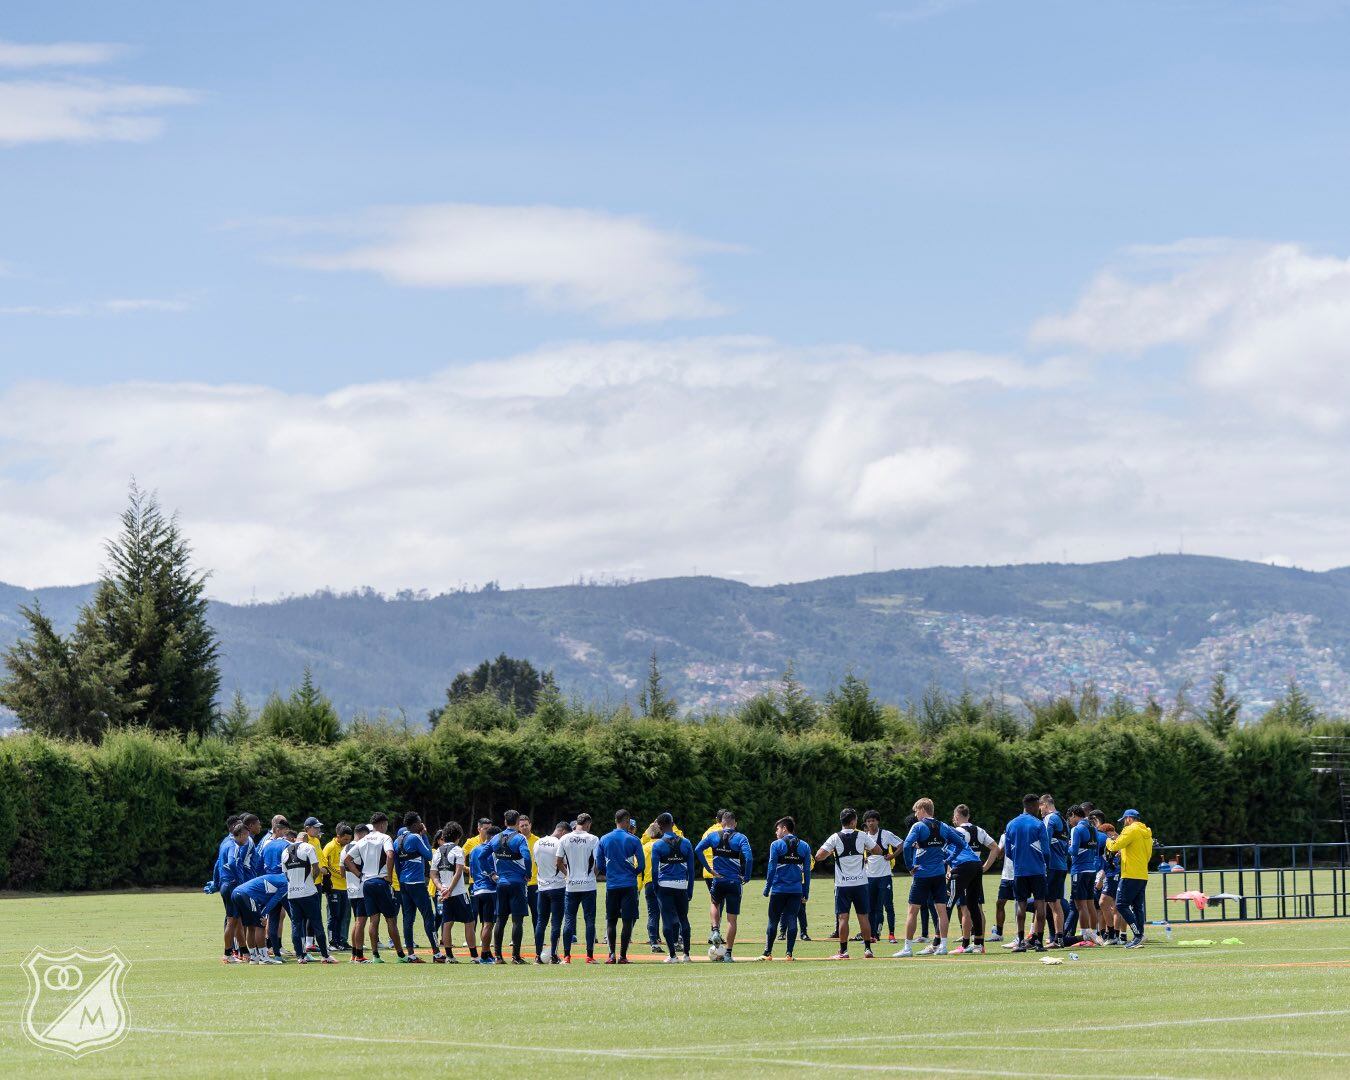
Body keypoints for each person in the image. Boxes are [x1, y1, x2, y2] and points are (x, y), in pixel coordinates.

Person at [896, 797, 966, 957]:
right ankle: (943, 946)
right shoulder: (944, 827)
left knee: (912, 911)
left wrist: (909, 867)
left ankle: (907, 948)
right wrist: (948, 859)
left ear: (922, 809)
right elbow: (961, 842)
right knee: (942, 911)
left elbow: (907, 845)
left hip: (921, 875)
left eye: (916, 812)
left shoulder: (918, 826)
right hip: (939, 875)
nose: (915, 815)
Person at [344, 812, 411, 964]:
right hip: (380, 881)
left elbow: (347, 859)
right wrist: (388, 875)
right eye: (386, 825)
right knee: (391, 920)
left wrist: (359, 874)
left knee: (373, 921)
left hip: (366, 883)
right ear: (382, 824)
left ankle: (376, 956)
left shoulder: (364, 839)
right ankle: (401, 955)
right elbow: (389, 854)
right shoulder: (385, 837)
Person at [816, 807, 879, 959]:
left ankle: (843, 951)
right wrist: (864, 849)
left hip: (843, 885)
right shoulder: (862, 835)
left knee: (843, 918)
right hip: (861, 884)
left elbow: (818, 856)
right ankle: (868, 950)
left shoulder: (835, 838)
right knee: (863, 917)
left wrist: (832, 852)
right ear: (853, 822)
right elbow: (878, 850)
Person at [693, 810, 752, 961]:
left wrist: (708, 869)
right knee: (732, 920)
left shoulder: (713, 836)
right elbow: (749, 858)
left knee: (714, 902)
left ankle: (715, 930)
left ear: (721, 823)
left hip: (718, 879)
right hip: (734, 881)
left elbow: (697, 849)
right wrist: (746, 876)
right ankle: (728, 954)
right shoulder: (741, 837)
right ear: (735, 823)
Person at [596, 809, 646, 963]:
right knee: (627, 920)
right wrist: (634, 872)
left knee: (611, 920)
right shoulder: (633, 839)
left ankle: (611, 955)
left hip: (612, 885)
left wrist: (609, 873)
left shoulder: (604, 839)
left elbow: (599, 864)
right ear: (626, 821)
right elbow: (642, 864)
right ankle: (623, 956)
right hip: (629, 884)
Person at [1004, 793, 1051, 954]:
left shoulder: (1011, 824)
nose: (1039, 809)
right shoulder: (1038, 825)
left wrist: (1018, 860)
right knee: (1040, 904)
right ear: (1032, 806)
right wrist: (1046, 864)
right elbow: (1046, 850)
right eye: (1038, 806)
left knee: (1020, 904)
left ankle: (1020, 942)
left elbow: (1008, 852)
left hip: (1019, 871)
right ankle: (1038, 942)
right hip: (1037, 870)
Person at [949, 804, 997, 954]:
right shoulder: (979, 830)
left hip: (963, 870)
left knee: (965, 909)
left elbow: (954, 852)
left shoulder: (958, 831)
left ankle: (964, 944)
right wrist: (985, 866)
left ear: (957, 817)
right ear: (968, 816)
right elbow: (995, 847)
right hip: (977, 870)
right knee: (977, 908)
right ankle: (979, 943)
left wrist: (949, 870)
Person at [762, 816, 811, 960]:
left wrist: (767, 889)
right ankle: (789, 953)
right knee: (792, 920)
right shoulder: (805, 846)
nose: (776, 832)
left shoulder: (776, 845)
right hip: (796, 891)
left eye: (777, 829)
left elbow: (771, 869)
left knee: (773, 921)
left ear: (784, 828)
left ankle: (767, 952)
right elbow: (807, 872)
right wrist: (805, 892)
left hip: (778, 890)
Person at [393, 812, 440, 961]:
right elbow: (429, 856)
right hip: (417, 883)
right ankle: (437, 953)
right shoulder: (415, 837)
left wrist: (401, 881)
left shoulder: (397, 840)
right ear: (415, 824)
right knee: (428, 916)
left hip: (404, 884)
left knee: (408, 918)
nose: (422, 824)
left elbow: (397, 864)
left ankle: (411, 955)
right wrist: (424, 835)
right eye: (420, 822)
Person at [282, 829, 334, 963]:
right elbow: (316, 868)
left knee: (296, 925)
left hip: (292, 893)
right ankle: (325, 955)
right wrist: (311, 879)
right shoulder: (309, 847)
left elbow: (285, 873)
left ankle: (300, 957)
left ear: (296, 839)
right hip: (308, 892)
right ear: (305, 839)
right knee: (316, 923)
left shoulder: (285, 851)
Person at [651, 812, 696, 963]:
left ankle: (672, 956)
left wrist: (656, 888)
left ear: (659, 826)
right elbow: (691, 870)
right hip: (682, 886)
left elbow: (654, 871)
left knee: (667, 920)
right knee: (684, 919)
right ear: (672, 823)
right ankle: (687, 955)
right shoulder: (686, 843)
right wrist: (690, 889)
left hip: (664, 886)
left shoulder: (657, 845)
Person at [1106, 808, 1154, 949]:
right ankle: (1140, 935)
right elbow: (1145, 854)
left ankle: (1138, 935)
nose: (1124, 824)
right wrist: (1125, 853)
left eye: (1124, 821)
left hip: (1130, 874)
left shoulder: (1130, 829)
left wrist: (1108, 839)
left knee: (1121, 904)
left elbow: (1115, 845)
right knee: (1137, 907)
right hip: (1142, 874)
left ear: (1129, 818)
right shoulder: (1146, 832)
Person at [491, 810, 533, 964]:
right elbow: (527, 857)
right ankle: (515, 956)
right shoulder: (520, 838)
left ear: (504, 822)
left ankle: (498, 957)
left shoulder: (496, 838)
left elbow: (483, 855)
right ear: (517, 822)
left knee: (500, 920)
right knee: (517, 920)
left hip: (501, 883)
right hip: (517, 883)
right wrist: (527, 873)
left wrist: (491, 873)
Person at [432, 821, 476, 962]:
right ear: (458, 837)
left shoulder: (438, 851)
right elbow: (458, 873)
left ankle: (449, 956)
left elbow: (433, 874)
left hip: (443, 892)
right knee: (469, 922)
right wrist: (450, 889)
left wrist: (441, 888)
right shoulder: (458, 850)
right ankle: (474, 956)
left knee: (447, 923)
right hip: (458, 892)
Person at [560, 813, 601, 964]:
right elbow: (599, 862)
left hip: (571, 885)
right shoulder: (593, 839)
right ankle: (589, 956)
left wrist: (567, 875)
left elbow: (558, 861)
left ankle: (566, 957)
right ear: (588, 823)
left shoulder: (565, 838)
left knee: (569, 919)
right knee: (590, 920)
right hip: (588, 885)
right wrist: (593, 875)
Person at [861, 810, 903, 945]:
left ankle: (891, 934)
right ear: (865, 823)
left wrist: (893, 855)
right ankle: (872, 935)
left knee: (888, 906)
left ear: (877, 821)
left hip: (884, 876)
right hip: (869, 877)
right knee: (870, 908)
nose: (870, 823)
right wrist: (864, 860)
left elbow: (902, 844)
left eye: (873, 820)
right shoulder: (863, 837)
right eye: (868, 821)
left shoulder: (885, 834)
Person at [231, 872, 290, 964]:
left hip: (236, 892)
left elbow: (264, 896)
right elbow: (275, 900)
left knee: (250, 927)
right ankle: (264, 958)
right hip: (247, 894)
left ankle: (254, 958)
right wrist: (263, 914)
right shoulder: (286, 883)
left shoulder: (277, 877)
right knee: (260, 925)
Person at [532, 821, 569, 964]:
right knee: (555, 923)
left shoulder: (538, 842)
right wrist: (568, 875)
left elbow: (537, 864)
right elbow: (561, 864)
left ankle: (537, 956)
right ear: (563, 832)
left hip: (542, 888)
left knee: (541, 921)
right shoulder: (559, 844)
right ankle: (553, 955)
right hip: (557, 887)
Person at [1067, 804, 1102, 946]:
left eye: (1070, 818)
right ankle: (1093, 933)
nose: (1069, 821)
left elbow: (1074, 851)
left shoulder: (1077, 829)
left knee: (1080, 905)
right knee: (1090, 903)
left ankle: (1086, 935)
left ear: (1074, 815)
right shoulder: (1093, 828)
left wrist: (1067, 846)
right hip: (1091, 870)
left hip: (1079, 870)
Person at [1039, 794, 1070, 947]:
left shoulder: (1050, 819)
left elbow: (1044, 841)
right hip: (1062, 866)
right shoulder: (1064, 820)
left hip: (1051, 866)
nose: (1040, 810)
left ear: (1044, 804)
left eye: (1040, 807)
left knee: (1048, 902)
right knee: (1055, 902)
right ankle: (1058, 938)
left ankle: (1039, 938)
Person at [214, 816, 245, 963]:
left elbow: (217, 864)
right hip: (231, 884)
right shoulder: (233, 845)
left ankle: (242, 952)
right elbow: (232, 862)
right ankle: (227, 954)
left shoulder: (224, 843)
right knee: (232, 921)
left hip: (225, 884)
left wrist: (216, 882)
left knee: (235, 920)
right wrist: (238, 879)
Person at [468, 827, 501, 963]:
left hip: (476, 890)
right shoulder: (492, 851)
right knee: (488, 924)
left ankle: (487, 951)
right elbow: (495, 872)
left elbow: (471, 872)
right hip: (489, 890)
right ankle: (484, 955)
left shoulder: (474, 850)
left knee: (483, 924)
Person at [321, 823, 353, 952]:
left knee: (343, 915)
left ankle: (341, 941)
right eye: (345, 839)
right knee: (333, 915)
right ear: (338, 836)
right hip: (334, 886)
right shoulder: (330, 847)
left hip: (346, 887)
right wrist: (340, 873)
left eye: (349, 839)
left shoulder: (348, 847)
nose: (347, 842)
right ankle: (332, 942)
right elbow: (325, 864)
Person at [697, 810, 727, 942]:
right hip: (720, 871)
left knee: (715, 902)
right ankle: (715, 932)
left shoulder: (707, 832)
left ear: (716, 819)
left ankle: (714, 932)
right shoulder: (726, 832)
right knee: (720, 902)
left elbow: (700, 849)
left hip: (707, 872)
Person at [1092, 813, 1123, 943]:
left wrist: (1100, 879)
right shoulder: (1107, 844)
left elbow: (1111, 865)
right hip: (1109, 875)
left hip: (1113, 876)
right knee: (1108, 905)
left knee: (1106, 904)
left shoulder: (1111, 843)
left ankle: (1114, 935)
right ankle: (1111, 934)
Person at [340, 824, 368, 961]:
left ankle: (353, 954)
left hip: (350, 889)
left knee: (356, 922)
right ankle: (359, 955)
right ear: (363, 834)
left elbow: (342, 872)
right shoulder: (361, 847)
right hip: (361, 889)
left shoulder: (344, 848)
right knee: (360, 922)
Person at [641, 821, 663, 952]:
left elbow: (639, 865)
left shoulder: (644, 847)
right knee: (667, 912)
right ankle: (674, 941)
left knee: (652, 913)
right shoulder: (663, 844)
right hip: (663, 881)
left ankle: (653, 942)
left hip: (648, 882)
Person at [990, 828, 1015, 944]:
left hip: (1019, 874)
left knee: (1021, 904)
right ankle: (998, 933)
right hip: (1006, 876)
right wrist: (1005, 844)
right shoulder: (1004, 836)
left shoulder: (1023, 835)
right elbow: (999, 856)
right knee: (1000, 903)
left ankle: (1021, 935)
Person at [517, 813, 541, 933]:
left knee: (536, 913)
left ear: (530, 825)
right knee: (518, 914)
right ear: (518, 827)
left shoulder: (538, 841)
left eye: (526, 825)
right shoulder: (515, 841)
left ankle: (538, 937)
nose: (525, 827)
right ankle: (514, 939)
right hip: (520, 883)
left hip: (535, 883)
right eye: (522, 825)